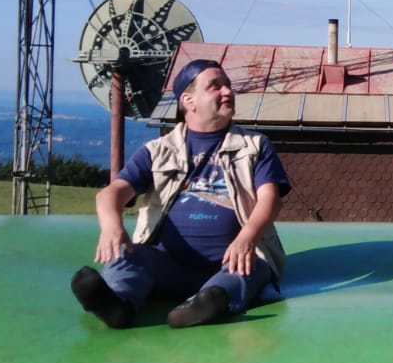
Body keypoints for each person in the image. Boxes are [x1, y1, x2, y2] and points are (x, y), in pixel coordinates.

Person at [70, 58, 290, 329]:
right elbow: (111, 193)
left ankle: (208, 302)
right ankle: (118, 305)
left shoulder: (255, 146)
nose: (228, 91)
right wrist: (111, 227)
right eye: (215, 86)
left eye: (228, 85)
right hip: (166, 263)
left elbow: (270, 199)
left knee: (251, 266)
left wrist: (247, 238)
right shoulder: (158, 150)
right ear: (188, 100)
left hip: (230, 261)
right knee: (128, 254)